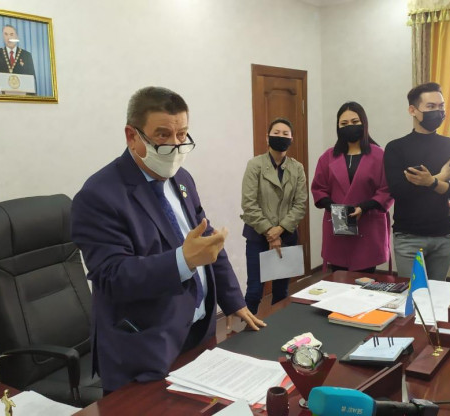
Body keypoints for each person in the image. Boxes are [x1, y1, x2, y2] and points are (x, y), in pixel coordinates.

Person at [71, 86, 266, 393]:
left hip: (199, 334)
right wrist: (182, 261)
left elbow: (207, 243)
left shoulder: (182, 179)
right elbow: (112, 277)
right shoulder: (99, 195)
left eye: (182, 134)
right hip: (145, 350)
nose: (175, 146)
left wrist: (233, 301)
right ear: (132, 136)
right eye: (163, 135)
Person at [384, 82, 450, 280]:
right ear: (412, 110)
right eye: (430, 106)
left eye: (441, 106)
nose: (437, 112)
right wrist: (440, 179)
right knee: (413, 294)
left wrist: (431, 182)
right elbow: (398, 191)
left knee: (438, 294)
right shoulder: (396, 148)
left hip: (443, 236)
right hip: (408, 237)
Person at [311, 102, 394, 272]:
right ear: (338, 127)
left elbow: (387, 189)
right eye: (344, 123)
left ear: (364, 123)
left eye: (355, 122)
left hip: (368, 225)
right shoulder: (327, 157)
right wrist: (335, 208)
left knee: (365, 281)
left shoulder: (379, 155)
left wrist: (364, 207)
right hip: (338, 225)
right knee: (338, 279)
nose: (350, 126)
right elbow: (319, 188)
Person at [241, 118, 308, 314]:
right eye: (276, 133)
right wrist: (270, 232)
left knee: (281, 291)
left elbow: (300, 204)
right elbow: (249, 204)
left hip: (287, 235)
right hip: (257, 236)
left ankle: (279, 326)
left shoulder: (297, 168)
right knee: (254, 290)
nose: (281, 137)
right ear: (267, 137)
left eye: (285, 134)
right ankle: (249, 327)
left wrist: (279, 230)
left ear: (291, 139)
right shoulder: (255, 165)